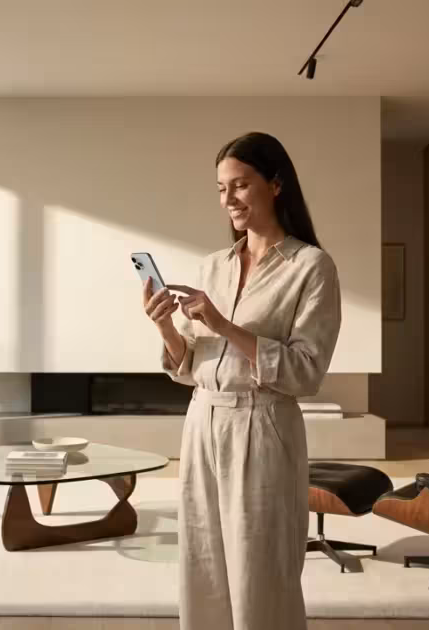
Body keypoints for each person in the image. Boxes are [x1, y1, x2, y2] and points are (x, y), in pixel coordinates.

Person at [141, 131, 341, 629]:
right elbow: (189, 366)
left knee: (261, 569)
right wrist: (165, 324)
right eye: (221, 188)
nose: (228, 199)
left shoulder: (311, 267)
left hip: (265, 425)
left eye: (240, 185)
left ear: (275, 185)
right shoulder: (213, 266)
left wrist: (225, 326)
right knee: (203, 564)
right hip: (203, 422)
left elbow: (306, 372)